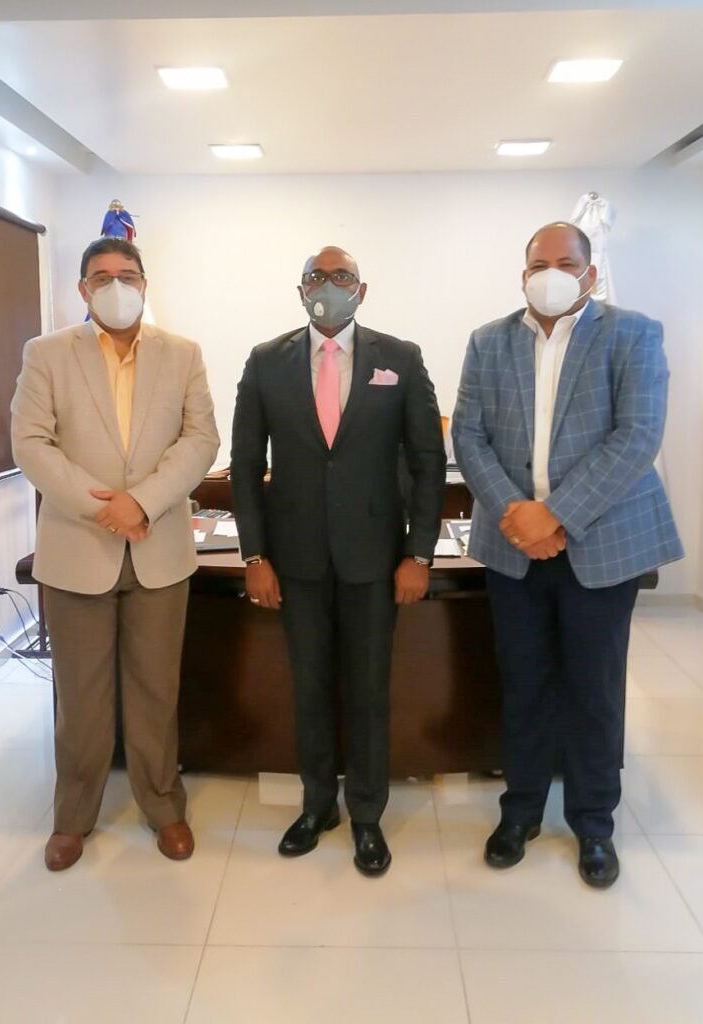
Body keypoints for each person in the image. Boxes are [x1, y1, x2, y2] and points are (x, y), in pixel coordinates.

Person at [451, 222, 683, 888]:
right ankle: (520, 812)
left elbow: (636, 436)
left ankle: (593, 823)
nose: (550, 273)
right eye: (538, 264)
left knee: (594, 690)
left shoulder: (632, 334)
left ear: (589, 273)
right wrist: (518, 515)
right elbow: (468, 436)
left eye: (565, 262)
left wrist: (553, 515)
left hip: (600, 544)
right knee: (523, 685)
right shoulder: (488, 341)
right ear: (522, 274)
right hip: (513, 547)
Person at [230, 246, 446, 876]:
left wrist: (419, 553)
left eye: (342, 276)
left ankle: (368, 815)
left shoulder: (401, 358)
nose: (329, 285)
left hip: (374, 561)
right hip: (294, 561)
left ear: (362, 290)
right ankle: (318, 805)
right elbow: (245, 464)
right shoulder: (265, 361)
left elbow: (428, 462)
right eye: (317, 277)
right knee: (310, 689)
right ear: (300, 290)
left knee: (369, 691)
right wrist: (255, 554)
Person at [11, 237, 219, 871]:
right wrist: (103, 505)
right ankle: (73, 817)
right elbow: (30, 443)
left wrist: (143, 503)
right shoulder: (46, 353)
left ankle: (164, 807)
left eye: (127, 275)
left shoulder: (182, 354)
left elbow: (200, 439)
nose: (116, 286)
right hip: (78, 548)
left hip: (160, 550)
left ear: (144, 284)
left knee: (156, 690)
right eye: (101, 277)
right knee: (81, 697)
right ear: (83, 289)